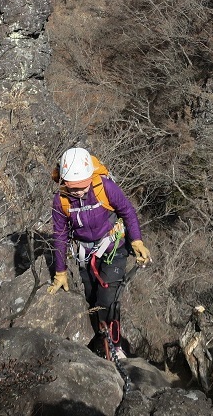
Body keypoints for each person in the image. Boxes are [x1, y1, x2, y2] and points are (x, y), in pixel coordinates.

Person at [47, 147, 151, 360]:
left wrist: (137, 241)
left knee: (107, 299)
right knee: (92, 300)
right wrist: (60, 272)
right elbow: (59, 236)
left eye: (82, 186)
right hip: (85, 254)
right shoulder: (61, 201)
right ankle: (100, 345)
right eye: (72, 187)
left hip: (114, 249)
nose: (78, 192)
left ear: (89, 178)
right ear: (64, 182)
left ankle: (115, 346)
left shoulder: (105, 187)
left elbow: (127, 211)